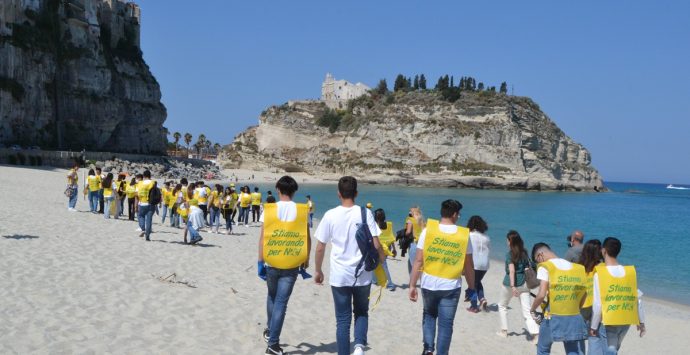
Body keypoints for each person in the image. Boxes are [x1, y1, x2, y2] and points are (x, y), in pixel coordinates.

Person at [314, 176, 384, 355]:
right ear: (356, 193)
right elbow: (376, 244)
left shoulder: (330, 215)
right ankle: (359, 346)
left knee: (343, 320)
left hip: (339, 276)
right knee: (361, 312)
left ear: (338, 194)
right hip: (362, 275)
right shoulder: (365, 213)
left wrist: (318, 270)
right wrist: (381, 261)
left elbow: (320, 247)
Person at [408, 199, 477, 355]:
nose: (458, 217)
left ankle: (428, 349)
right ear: (454, 214)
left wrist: (412, 285)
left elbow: (419, 260)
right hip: (451, 286)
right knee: (446, 325)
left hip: (428, 283)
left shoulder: (428, 230)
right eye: (458, 214)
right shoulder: (464, 235)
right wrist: (472, 288)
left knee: (429, 315)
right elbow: (468, 266)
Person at [257, 176, 311, 355]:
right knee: (281, 302)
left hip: (271, 260)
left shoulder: (269, 209)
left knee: (272, 296)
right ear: (294, 191)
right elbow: (306, 237)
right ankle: (273, 344)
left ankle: (269, 330)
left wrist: (260, 261)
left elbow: (263, 237)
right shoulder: (302, 210)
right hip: (292, 262)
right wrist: (306, 259)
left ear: (278, 190)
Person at [590, 237, 646, 355]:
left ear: (603, 251)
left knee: (610, 351)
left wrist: (593, 326)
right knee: (613, 349)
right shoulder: (629, 272)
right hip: (625, 321)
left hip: (608, 320)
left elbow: (598, 304)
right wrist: (641, 322)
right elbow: (637, 299)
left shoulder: (600, 274)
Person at [530, 242, 587, 355]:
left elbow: (541, 294)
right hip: (573, 315)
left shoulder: (545, 267)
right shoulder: (577, 268)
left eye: (537, 261)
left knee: (543, 349)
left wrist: (532, 309)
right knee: (572, 350)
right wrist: (575, 308)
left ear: (540, 255)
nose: (538, 264)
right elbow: (584, 294)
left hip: (552, 315)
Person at [497, 231, 540, 341]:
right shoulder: (524, 253)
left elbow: (512, 271)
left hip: (510, 284)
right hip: (525, 284)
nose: (506, 242)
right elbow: (528, 267)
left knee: (502, 305)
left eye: (507, 240)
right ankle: (535, 335)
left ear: (510, 241)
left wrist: (513, 287)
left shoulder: (509, 254)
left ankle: (504, 331)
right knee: (527, 310)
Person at [579, 239, 607, 355]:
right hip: (598, 305)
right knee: (594, 335)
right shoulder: (603, 267)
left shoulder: (579, 267)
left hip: (583, 304)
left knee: (579, 338)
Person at [465, 215, 490, 311]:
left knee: (473, 284)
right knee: (477, 282)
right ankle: (482, 299)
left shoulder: (469, 235)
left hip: (474, 263)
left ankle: (474, 306)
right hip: (485, 265)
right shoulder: (486, 237)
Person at [373, 208, 397, 291]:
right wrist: (394, 249)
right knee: (376, 264)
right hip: (387, 248)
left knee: (383, 265)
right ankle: (375, 280)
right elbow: (391, 237)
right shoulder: (389, 224)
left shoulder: (374, 226)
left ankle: (390, 284)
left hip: (378, 248)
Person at [136, 170, 156, 241]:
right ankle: (147, 235)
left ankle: (143, 229)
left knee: (141, 216)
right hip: (151, 203)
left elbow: (137, 194)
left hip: (142, 203)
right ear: (150, 176)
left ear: (143, 176)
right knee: (149, 219)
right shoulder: (153, 182)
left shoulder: (140, 183)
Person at [406, 206, 425, 275]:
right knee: (418, 262)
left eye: (410, 211)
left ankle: (412, 282)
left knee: (413, 263)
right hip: (422, 243)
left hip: (414, 242)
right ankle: (413, 281)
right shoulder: (422, 220)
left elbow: (408, 232)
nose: (409, 212)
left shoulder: (410, 220)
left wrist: (403, 234)